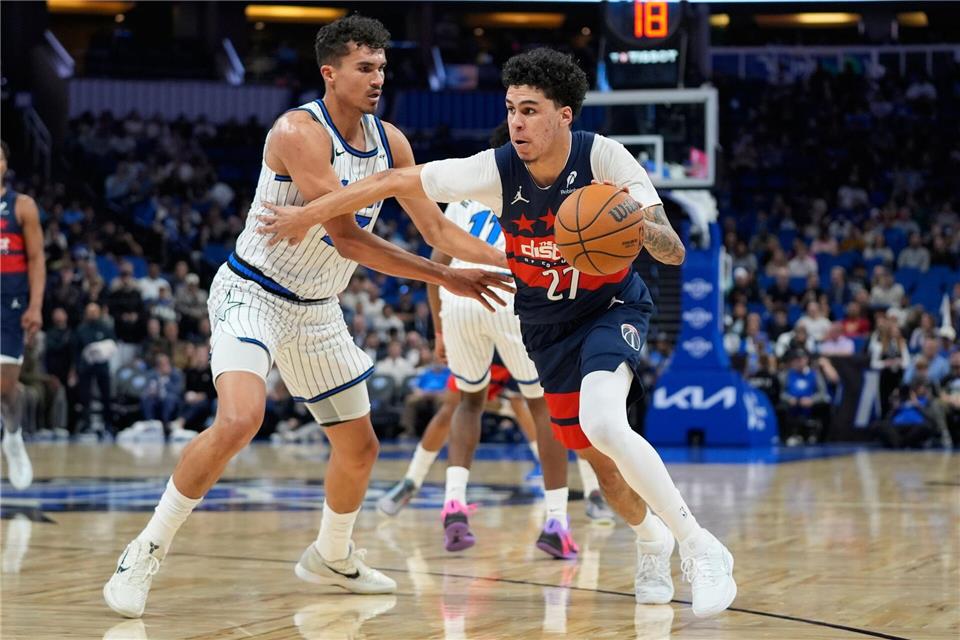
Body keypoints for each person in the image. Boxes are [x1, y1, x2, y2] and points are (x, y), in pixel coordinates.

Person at [260, 47, 737, 618]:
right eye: (511, 109)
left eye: (530, 110)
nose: (517, 122)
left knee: (605, 421)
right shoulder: (494, 170)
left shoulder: (604, 157)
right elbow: (390, 180)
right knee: (602, 464)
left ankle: (700, 547)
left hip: (609, 308)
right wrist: (307, 214)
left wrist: (631, 219)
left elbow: (674, 251)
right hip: (544, 326)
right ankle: (652, 541)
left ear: (563, 115)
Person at [103, 15, 513, 619]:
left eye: (382, 67)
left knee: (360, 447)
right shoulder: (299, 131)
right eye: (364, 68)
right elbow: (347, 237)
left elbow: (436, 228)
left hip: (318, 310)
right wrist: (446, 276)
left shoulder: (393, 143)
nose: (378, 78)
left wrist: (514, 258)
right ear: (330, 73)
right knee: (240, 418)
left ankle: (332, 556)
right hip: (253, 292)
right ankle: (145, 550)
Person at [0, 140, 45, 489]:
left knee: (5, 385)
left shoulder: (21, 205)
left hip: (10, 302)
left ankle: (13, 438)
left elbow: (36, 258)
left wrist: (35, 305)